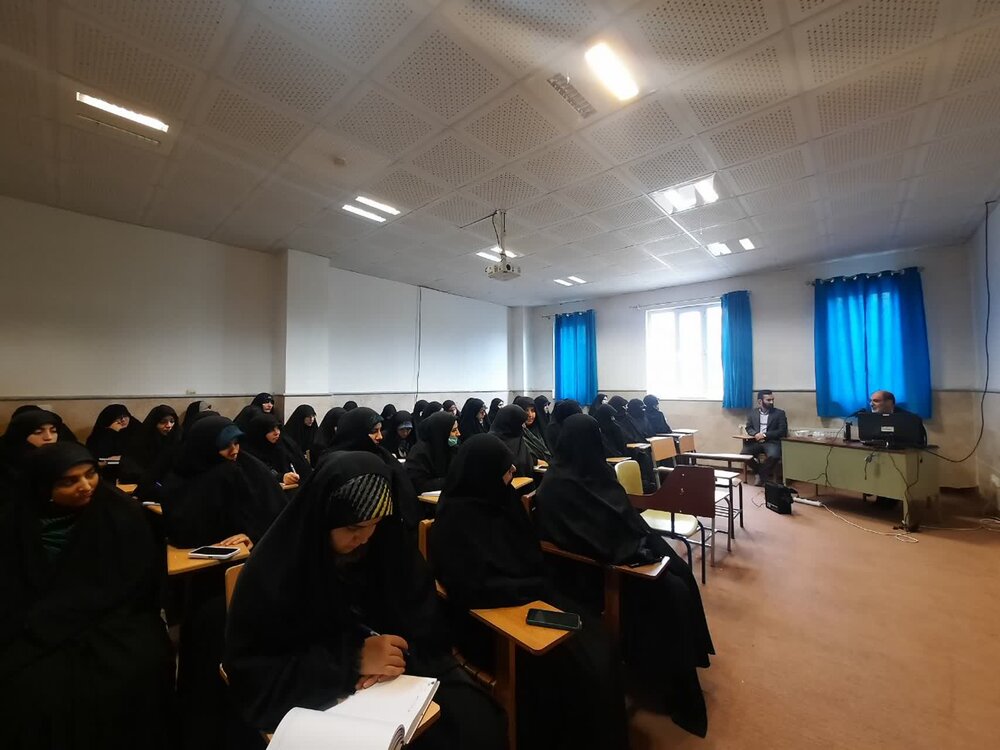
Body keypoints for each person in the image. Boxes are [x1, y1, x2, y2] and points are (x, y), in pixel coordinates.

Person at [223, 451, 508, 750]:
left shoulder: (387, 544)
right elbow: (254, 674)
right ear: (323, 517)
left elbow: (423, 624)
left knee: (475, 724)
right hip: (318, 692)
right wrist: (352, 661)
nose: (365, 537)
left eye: (375, 523)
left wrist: (394, 655)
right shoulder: (277, 570)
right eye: (353, 528)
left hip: (402, 681)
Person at [428, 434, 631, 750]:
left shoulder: (504, 500)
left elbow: (529, 556)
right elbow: (469, 588)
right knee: (569, 669)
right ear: (483, 473)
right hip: (488, 623)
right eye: (505, 470)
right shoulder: (454, 520)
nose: (512, 474)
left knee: (598, 643)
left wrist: (532, 587)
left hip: (528, 597)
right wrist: (527, 588)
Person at [534, 414, 715, 737]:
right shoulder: (557, 486)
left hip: (621, 550)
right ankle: (670, 680)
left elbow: (622, 516)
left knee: (680, 573)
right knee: (671, 593)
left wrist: (639, 543)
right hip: (595, 572)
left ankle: (688, 657)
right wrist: (631, 550)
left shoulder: (598, 472)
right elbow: (579, 537)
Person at [0, 442, 173, 749]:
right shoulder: (16, 523)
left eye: (90, 474)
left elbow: (137, 584)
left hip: (115, 618)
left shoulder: (121, 513)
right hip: (35, 619)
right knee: (29, 689)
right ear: (43, 486)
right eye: (69, 481)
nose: (85, 486)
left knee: (131, 670)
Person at [321, 407, 422, 530]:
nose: (380, 436)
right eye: (374, 431)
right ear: (357, 431)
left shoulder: (383, 456)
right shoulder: (333, 461)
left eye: (380, 430)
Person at [0, 408, 73, 484]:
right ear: (21, 435)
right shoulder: (6, 465)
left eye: (53, 431)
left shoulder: (64, 457)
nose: (48, 437)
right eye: (38, 432)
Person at [128, 405, 182, 501]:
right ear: (154, 423)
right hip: (147, 488)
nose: (169, 425)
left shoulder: (178, 440)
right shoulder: (142, 441)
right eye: (163, 422)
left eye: (172, 421)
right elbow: (133, 468)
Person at [240, 414, 311, 486]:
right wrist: (281, 477)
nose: (277, 433)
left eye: (278, 428)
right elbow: (260, 472)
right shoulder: (249, 451)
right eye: (271, 430)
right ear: (260, 432)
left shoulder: (283, 444)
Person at [405, 411, 459, 494]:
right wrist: (450, 481)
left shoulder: (451, 449)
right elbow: (419, 486)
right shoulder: (420, 453)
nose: (458, 434)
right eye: (454, 430)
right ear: (441, 431)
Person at [741, 390, 788, 485]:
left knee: (774, 456)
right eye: (768, 400)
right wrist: (755, 434)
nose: (772, 402)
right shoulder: (752, 413)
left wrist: (765, 435)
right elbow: (748, 427)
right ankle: (761, 472)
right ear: (760, 401)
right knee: (743, 455)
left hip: (771, 441)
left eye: (772, 399)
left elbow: (782, 431)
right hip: (756, 441)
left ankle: (760, 474)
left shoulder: (779, 413)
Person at [86, 403, 141, 482]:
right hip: (106, 476)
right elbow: (97, 456)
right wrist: (110, 432)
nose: (123, 420)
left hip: (133, 476)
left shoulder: (137, 429)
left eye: (125, 416)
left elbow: (142, 455)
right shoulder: (99, 435)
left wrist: (122, 458)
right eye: (118, 417)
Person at [489, 405, 534, 477]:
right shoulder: (491, 442)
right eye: (520, 423)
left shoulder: (518, 437)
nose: (523, 427)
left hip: (526, 481)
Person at [512, 396, 552, 462]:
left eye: (533, 410)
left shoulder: (539, 430)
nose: (530, 415)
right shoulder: (514, 435)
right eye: (526, 410)